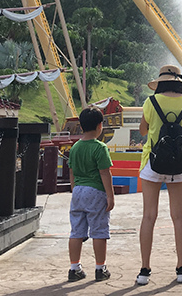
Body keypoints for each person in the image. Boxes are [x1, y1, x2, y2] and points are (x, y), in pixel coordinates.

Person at [136, 65, 182, 285]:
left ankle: (144, 270)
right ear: (179, 83)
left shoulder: (150, 102)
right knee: (178, 216)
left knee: (149, 216)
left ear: (160, 82)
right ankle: (181, 268)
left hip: (152, 163)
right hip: (178, 164)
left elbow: (143, 131)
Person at [67, 106, 115, 282]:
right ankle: (100, 268)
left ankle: (74, 268)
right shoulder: (100, 147)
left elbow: (71, 171)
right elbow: (104, 173)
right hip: (95, 191)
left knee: (76, 231)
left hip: (78, 191)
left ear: (81, 125)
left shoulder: (75, 148)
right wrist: (110, 195)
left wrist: (74, 189)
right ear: (100, 126)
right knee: (99, 231)